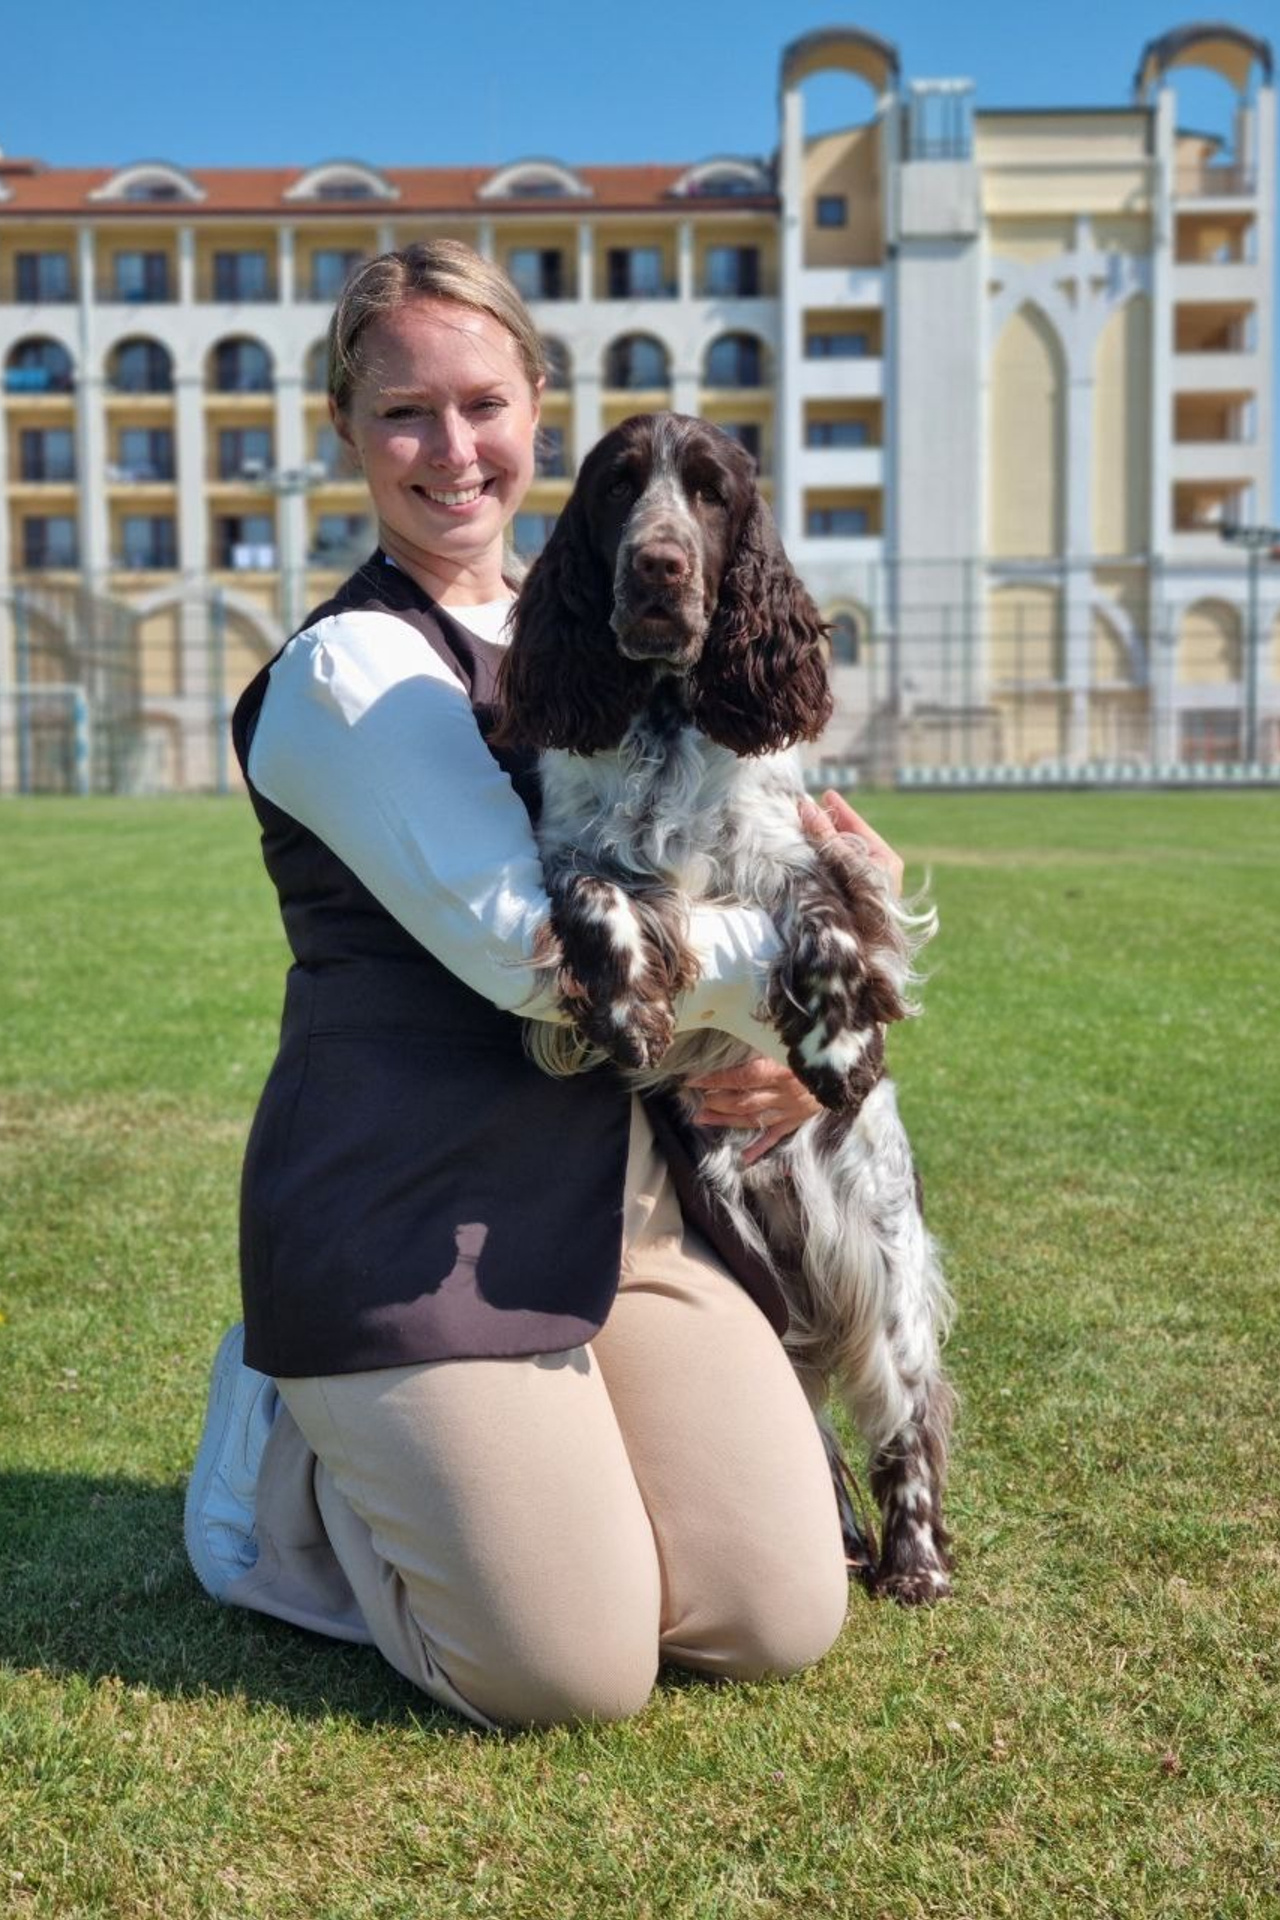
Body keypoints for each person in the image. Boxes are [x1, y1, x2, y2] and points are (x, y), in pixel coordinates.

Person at [184, 239, 903, 1730]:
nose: (452, 449)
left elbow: (776, 859)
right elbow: (536, 962)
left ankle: (522, 1484)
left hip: (627, 1199)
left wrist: (814, 1031)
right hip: (407, 1211)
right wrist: (820, 958)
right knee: (570, 1669)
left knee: (775, 1615)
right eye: (402, 413)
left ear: (539, 413)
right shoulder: (352, 675)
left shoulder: (607, 632)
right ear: (345, 430)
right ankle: (272, 1472)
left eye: (485, 403)